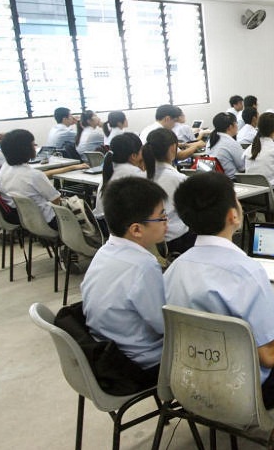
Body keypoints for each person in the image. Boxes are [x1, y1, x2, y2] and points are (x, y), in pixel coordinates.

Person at [164, 172, 274, 408]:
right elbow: (270, 356)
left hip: (192, 382)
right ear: (233, 215)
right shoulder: (247, 271)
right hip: (248, 392)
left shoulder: (174, 270)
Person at [81, 176, 168, 386]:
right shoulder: (143, 265)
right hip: (140, 365)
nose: (167, 223)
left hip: (106, 352)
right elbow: (165, 326)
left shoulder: (104, 252)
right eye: (162, 217)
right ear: (136, 229)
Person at [0, 129, 86, 227]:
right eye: (33, 145)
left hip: (23, 217)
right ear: (26, 149)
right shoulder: (34, 175)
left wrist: (71, 167)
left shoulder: (5, 168)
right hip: (48, 221)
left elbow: (39, 176)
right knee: (80, 204)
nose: (35, 147)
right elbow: (56, 201)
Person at [143, 128, 196, 255]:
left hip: (148, 239)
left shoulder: (140, 175)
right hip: (174, 240)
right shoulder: (178, 179)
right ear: (173, 148)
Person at [93, 133, 145, 219]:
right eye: (141, 150)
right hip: (119, 226)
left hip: (103, 224)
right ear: (134, 156)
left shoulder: (110, 167)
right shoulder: (134, 173)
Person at [139, 105, 205, 160]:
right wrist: (196, 146)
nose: (174, 125)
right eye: (175, 121)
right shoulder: (161, 132)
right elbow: (180, 155)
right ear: (167, 119)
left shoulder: (148, 128)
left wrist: (185, 145)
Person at [206, 112, 245, 179]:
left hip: (215, 180)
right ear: (230, 127)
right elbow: (242, 167)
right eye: (236, 123)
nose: (237, 126)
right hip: (231, 181)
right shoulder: (231, 143)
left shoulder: (211, 140)